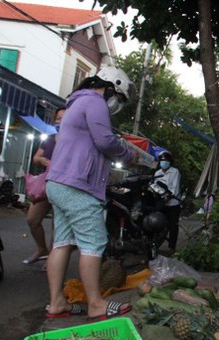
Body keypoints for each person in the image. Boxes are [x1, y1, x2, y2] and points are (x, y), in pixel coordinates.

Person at [44, 66, 138, 321]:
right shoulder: (94, 101)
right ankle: (96, 304)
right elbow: (105, 141)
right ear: (109, 87)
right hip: (77, 185)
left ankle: (56, 303)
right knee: (93, 243)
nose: (116, 104)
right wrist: (129, 156)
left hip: (58, 183)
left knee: (62, 243)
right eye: (118, 98)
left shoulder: (76, 103)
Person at [22, 107, 65, 269]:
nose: (60, 121)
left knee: (58, 223)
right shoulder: (49, 139)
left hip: (63, 186)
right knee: (32, 219)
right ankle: (42, 249)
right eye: (58, 118)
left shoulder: (73, 140)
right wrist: (46, 161)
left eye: (64, 118)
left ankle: (53, 258)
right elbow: (36, 158)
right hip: (45, 185)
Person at [153, 151, 182, 251]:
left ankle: (171, 247)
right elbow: (154, 186)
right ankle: (155, 244)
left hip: (173, 203)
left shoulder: (175, 172)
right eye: (162, 161)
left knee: (173, 225)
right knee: (157, 223)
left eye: (165, 161)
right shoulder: (157, 173)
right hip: (161, 203)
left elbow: (174, 190)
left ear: (170, 162)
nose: (163, 162)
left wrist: (167, 195)